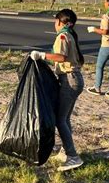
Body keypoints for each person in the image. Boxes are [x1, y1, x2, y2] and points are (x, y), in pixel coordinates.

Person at [30, 9, 85, 172]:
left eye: (56, 21)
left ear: (61, 22)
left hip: (69, 79)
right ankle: (65, 151)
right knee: (65, 118)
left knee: (60, 120)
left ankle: (73, 156)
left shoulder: (62, 36)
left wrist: (41, 55)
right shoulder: (70, 34)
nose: (55, 24)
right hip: (74, 78)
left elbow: (60, 57)